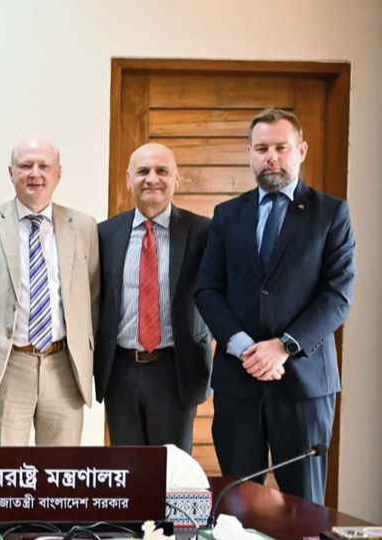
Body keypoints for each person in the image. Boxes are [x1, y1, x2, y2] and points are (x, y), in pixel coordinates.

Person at [195, 108, 355, 504]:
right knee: (236, 506)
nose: (272, 157)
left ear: (301, 150)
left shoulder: (331, 213)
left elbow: (337, 295)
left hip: (304, 386)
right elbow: (207, 290)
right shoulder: (227, 215)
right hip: (238, 381)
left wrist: (283, 347)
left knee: (305, 509)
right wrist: (243, 347)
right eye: (262, 148)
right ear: (249, 152)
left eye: (281, 148)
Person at [0, 137, 98, 447]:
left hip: (64, 365)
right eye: (26, 165)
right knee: (4, 468)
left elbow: (93, 295)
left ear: (58, 173)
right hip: (8, 364)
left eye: (44, 166)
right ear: (11, 172)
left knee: (61, 470)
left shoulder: (84, 226)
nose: (35, 173)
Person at [94, 142, 212, 451]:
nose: (152, 179)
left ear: (177, 179)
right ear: (128, 179)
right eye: (143, 171)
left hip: (176, 369)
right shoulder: (104, 234)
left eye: (162, 171)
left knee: (173, 470)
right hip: (120, 370)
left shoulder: (203, 232)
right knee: (128, 468)